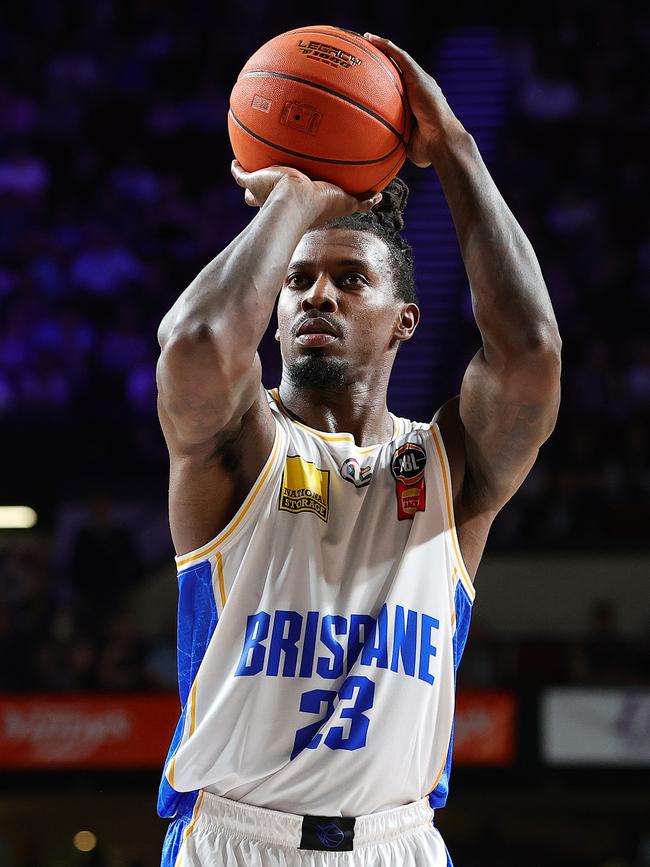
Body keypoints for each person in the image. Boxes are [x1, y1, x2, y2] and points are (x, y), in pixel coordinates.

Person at [154, 33, 561, 867]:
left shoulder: (455, 464)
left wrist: (453, 147)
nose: (317, 296)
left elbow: (532, 355)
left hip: (396, 841)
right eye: (297, 281)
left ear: (404, 320)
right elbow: (194, 341)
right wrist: (295, 199)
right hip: (238, 838)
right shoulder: (238, 449)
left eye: (349, 279)